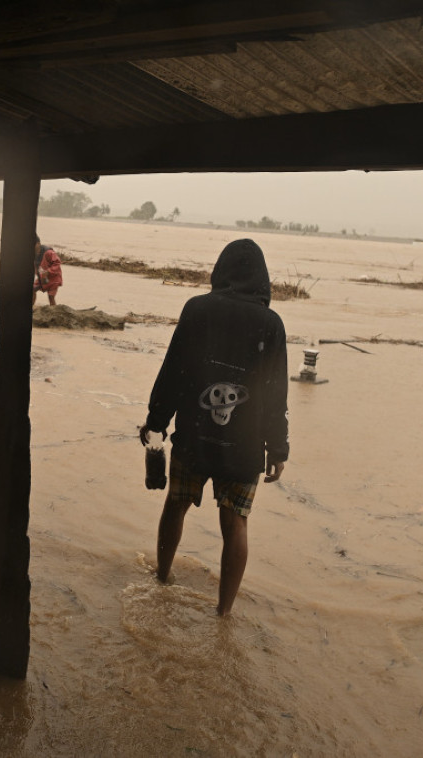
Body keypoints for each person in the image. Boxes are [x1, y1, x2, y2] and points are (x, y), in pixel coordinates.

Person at [139, 238, 289, 617]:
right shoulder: (270, 324)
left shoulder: (197, 309)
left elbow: (172, 372)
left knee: (176, 506)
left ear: (220, 271)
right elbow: (276, 394)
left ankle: (162, 577)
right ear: (263, 280)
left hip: (194, 437)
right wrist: (278, 448)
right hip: (243, 448)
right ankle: (223, 613)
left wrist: (156, 423)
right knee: (235, 523)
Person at [32, 236, 63, 306]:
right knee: (32, 290)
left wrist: (48, 271)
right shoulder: (33, 255)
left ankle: (54, 311)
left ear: (38, 244)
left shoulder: (49, 252)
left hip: (54, 278)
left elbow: (57, 263)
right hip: (42, 278)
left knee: (51, 297)